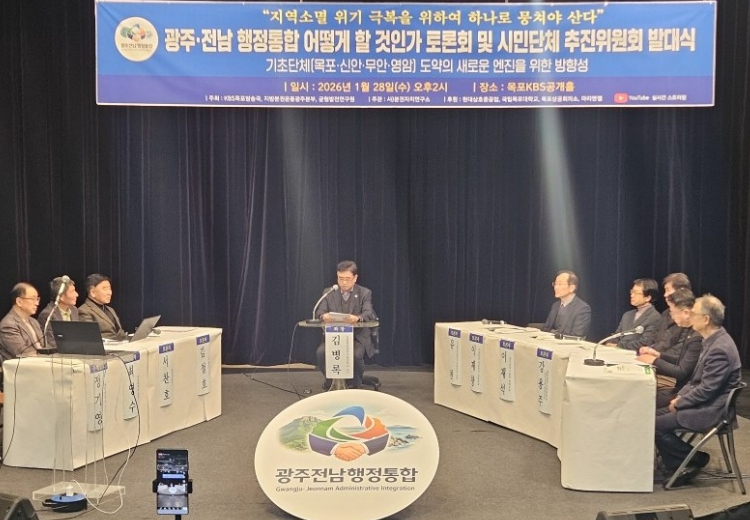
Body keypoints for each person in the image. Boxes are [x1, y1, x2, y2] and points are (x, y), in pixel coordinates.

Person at [654, 294, 742, 487]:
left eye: (694, 313)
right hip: (705, 404)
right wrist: (680, 396)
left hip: (712, 411)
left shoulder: (719, 348)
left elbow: (707, 389)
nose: (690, 316)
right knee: (651, 419)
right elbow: (696, 381)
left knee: (655, 425)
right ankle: (681, 461)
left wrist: (680, 402)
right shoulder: (712, 340)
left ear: (706, 319)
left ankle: (692, 461)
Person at [315, 261, 377, 389]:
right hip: (335, 336)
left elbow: (368, 313)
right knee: (321, 353)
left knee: (355, 354)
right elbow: (319, 311)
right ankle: (331, 382)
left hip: (357, 337)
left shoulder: (364, 293)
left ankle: (355, 384)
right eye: (340, 278)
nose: (343, 282)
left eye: (347, 279)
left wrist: (357, 318)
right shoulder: (329, 292)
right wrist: (323, 316)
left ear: (355, 278)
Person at [636, 288, 702, 408]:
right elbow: (681, 360)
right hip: (680, 388)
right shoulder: (689, 331)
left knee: (640, 403)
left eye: (673, 312)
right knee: (639, 397)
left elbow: (682, 372)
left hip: (684, 392)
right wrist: (658, 354)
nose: (671, 316)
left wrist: (655, 361)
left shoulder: (696, 337)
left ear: (686, 313)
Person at [608, 278, 661, 350]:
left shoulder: (655, 317)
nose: (632, 295)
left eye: (636, 293)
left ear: (648, 298)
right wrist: (611, 342)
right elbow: (617, 335)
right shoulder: (627, 315)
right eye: (632, 291)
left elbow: (645, 342)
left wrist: (618, 345)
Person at [645, 272, 691, 351]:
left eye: (668, 290)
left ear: (681, 290)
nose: (665, 295)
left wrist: (657, 355)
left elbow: (680, 348)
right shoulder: (665, 313)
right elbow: (654, 335)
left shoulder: (690, 316)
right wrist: (648, 349)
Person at [540, 270, 591, 339]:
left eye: (560, 284)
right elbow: (546, 328)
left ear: (571, 288)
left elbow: (577, 336)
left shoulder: (582, 308)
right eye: (555, 284)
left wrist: (552, 335)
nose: (555, 287)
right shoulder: (555, 305)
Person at [0, 283, 43, 361]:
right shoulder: (8, 325)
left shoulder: (34, 322)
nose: (37, 303)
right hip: (23, 366)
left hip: (41, 363)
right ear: (19, 301)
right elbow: (23, 353)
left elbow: (45, 348)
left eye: (37, 299)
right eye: (32, 299)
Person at [78, 273, 128, 340]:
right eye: (105, 289)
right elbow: (91, 337)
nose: (109, 293)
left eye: (110, 289)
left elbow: (119, 331)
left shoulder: (110, 309)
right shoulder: (84, 310)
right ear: (92, 292)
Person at [37, 276, 80, 349]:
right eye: (72, 291)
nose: (77, 294)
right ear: (61, 297)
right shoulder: (48, 314)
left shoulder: (74, 310)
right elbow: (50, 342)